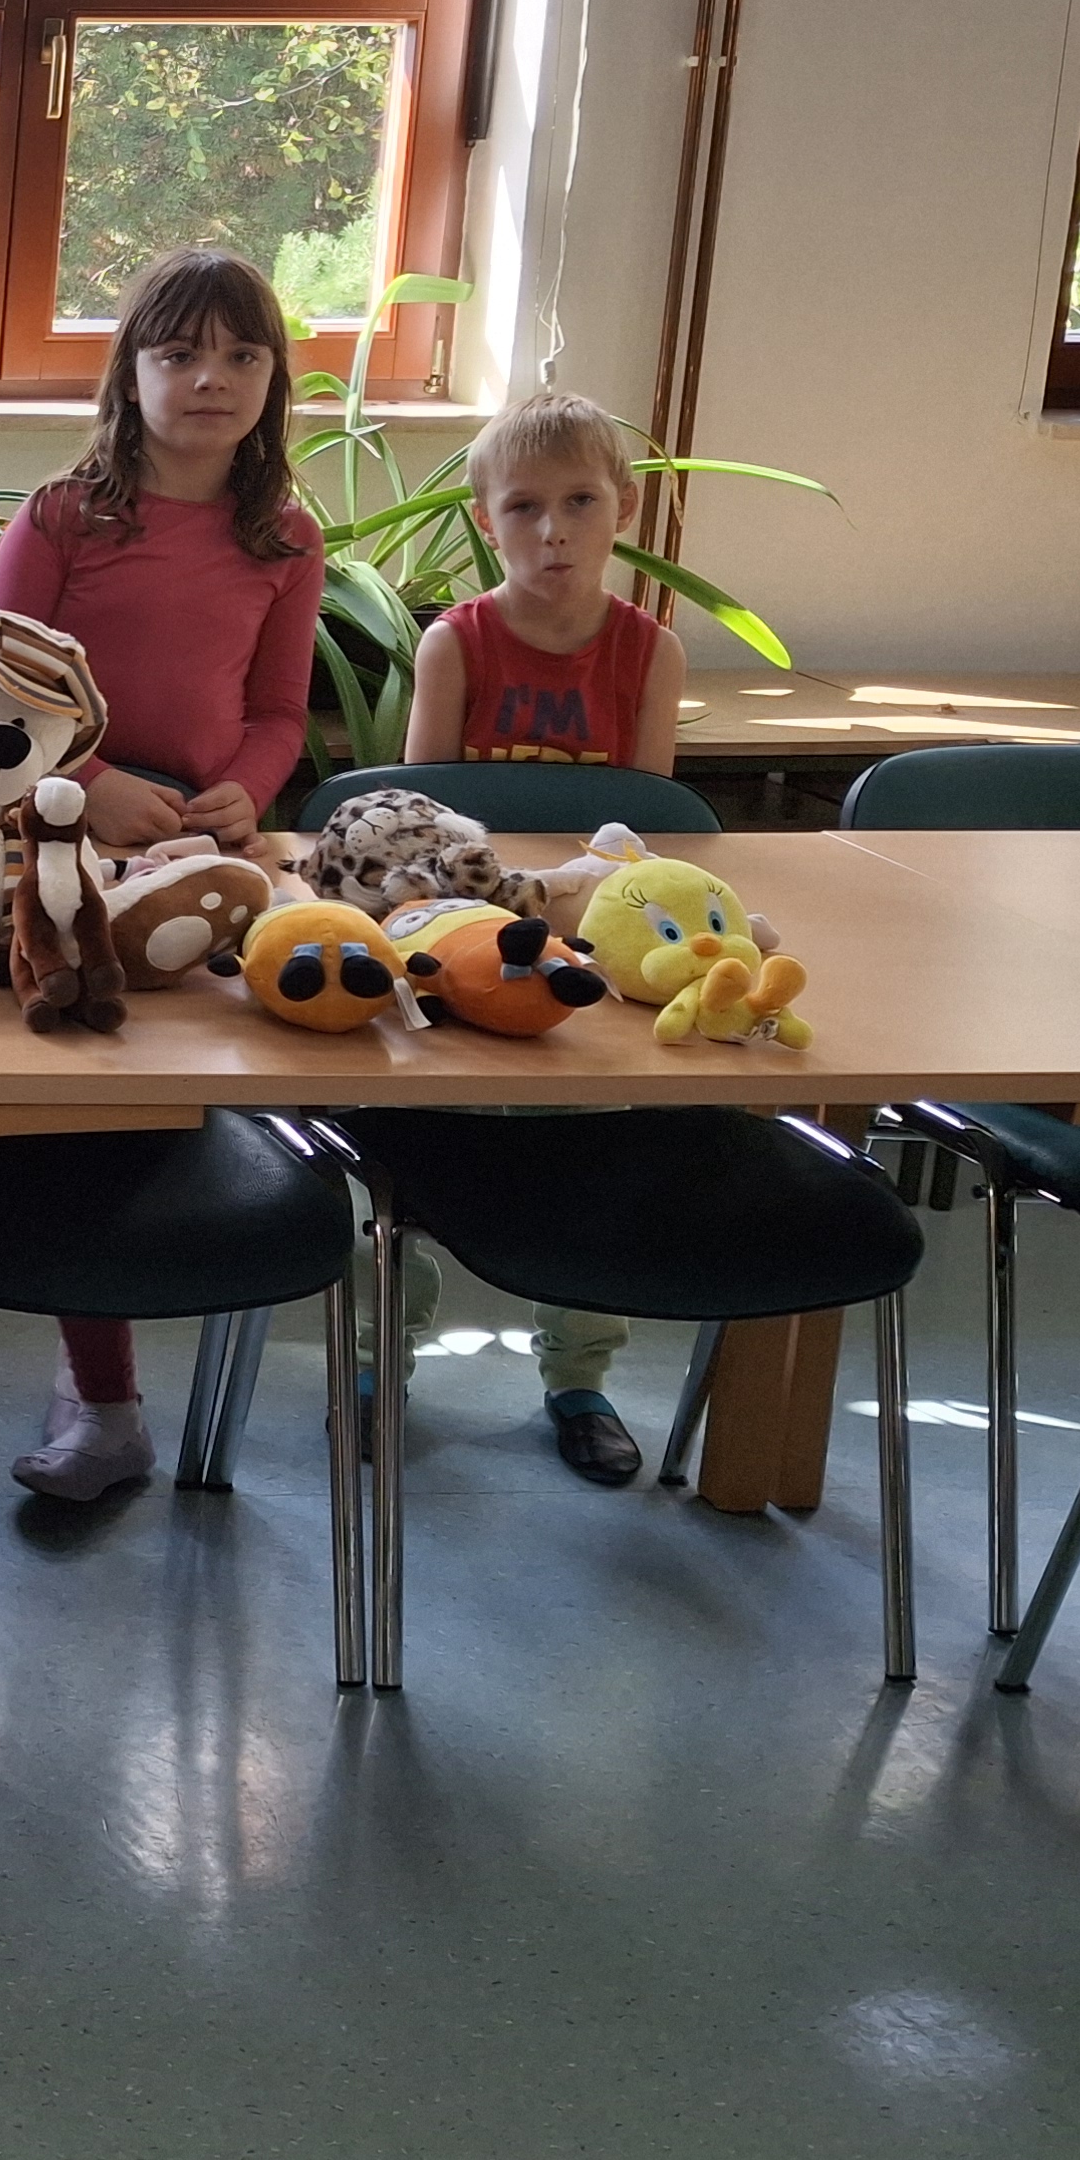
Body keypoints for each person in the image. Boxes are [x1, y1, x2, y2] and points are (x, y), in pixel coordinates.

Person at [0, 248, 327, 1503]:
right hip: (54, 836)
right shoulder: (63, 515)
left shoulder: (288, 535)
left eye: (241, 355)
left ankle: (117, 1384)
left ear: (274, 378)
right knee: (92, 1106)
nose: (211, 378)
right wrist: (92, 779)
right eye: (179, 354)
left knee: (186, 1098)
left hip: (206, 853)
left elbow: (279, 711)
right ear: (130, 372)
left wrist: (246, 788)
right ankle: (106, 1401)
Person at [398, 387, 690, 1486]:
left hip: (590, 951)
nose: (553, 531)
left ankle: (579, 1375)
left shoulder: (649, 652)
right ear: (487, 521)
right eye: (523, 507)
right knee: (411, 1134)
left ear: (623, 510)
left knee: (601, 1148)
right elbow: (421, 824)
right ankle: (380, 1355)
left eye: (580, 503)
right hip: (467, 935)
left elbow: (647, 837)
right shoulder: (455, 643)